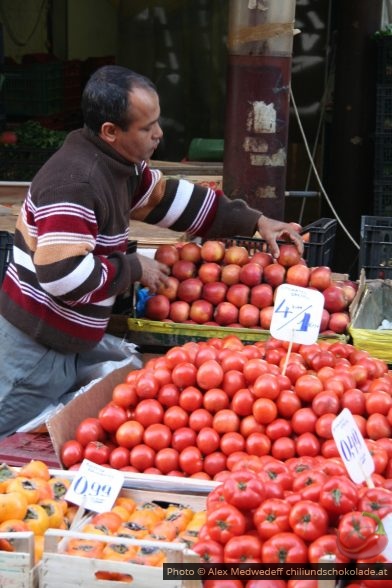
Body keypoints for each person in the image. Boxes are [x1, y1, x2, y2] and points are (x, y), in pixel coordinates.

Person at [0, 65, 303, 438]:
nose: (159, 134)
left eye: (157, 122)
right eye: (146, 128)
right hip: (35, 351)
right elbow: (63, 275)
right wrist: (133, 267)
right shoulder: (75, 182)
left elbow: (169, 200)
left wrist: (255, 222)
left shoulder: (118, 166)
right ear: (110, 132)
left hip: (62, 345)